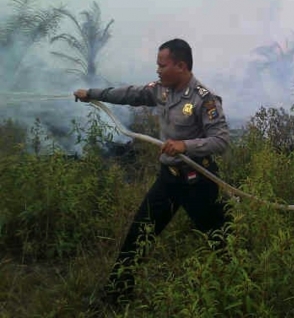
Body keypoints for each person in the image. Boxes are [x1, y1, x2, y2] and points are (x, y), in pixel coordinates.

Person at [74, 38, 230, 305]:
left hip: (199, 182)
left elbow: (222, 140)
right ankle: (116, 295)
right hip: (168, 181)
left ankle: (244, 289)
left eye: (162, 65)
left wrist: (185, 145)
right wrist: (93, 93)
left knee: (223, 242)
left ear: (180, 66)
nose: (157, 70)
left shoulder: (205, 99)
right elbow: (130, 94)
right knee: (138, 235)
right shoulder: (161, 90)